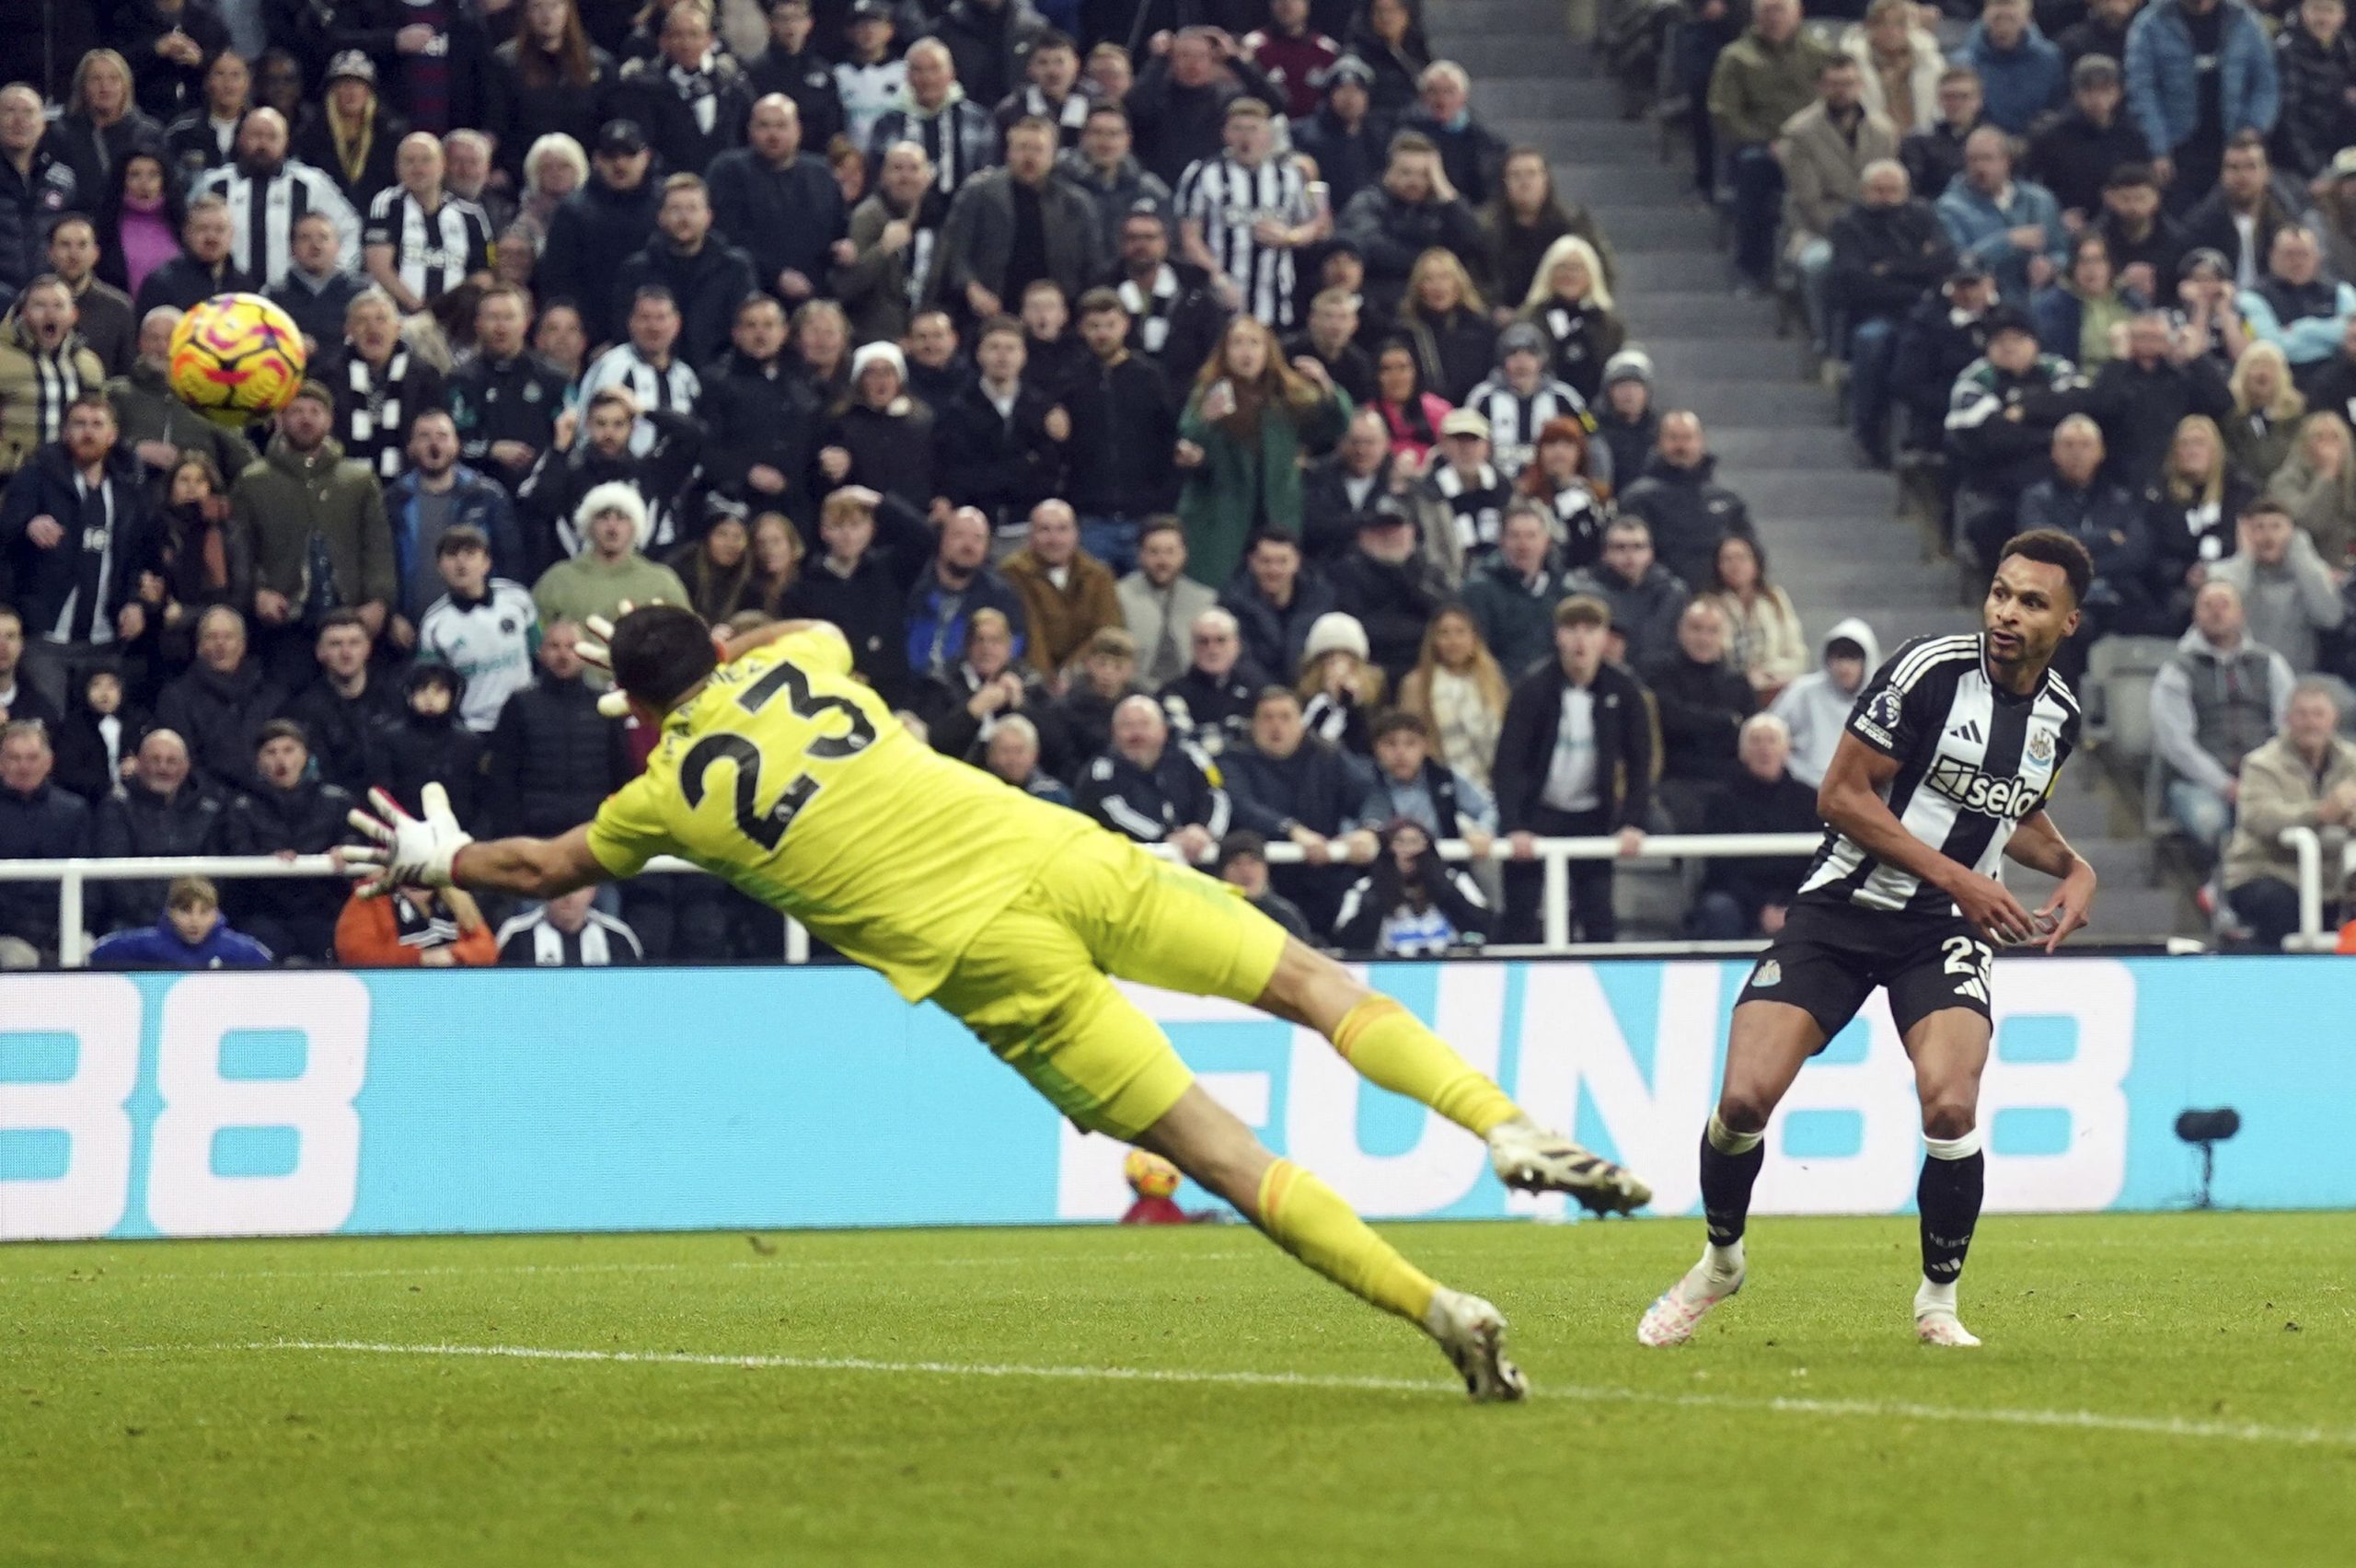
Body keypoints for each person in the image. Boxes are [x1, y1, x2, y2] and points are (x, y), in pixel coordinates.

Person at [1638, 530, 2098, 1352]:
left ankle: (1938, 1303)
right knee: (1743, 1100)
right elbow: (1842, 795)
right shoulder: (1928, 671)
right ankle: (1720, 1260)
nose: (2006, 611)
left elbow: (2008, 809)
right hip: (1841, 912)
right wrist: (1964, 877)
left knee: (1952, 1104)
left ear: (2068, 621)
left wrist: (2074, 866)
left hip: (1942, 931)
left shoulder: (2058, 716)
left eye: (2031, 602)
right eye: (2001, 591)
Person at [1492, 594, 1656, 945]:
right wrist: (1513, 825)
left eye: (1590, 629)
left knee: (1598, 916)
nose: (1581, 639)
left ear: (1605, 637)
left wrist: (1632, 821)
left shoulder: (1625, 690)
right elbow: (1507, 762)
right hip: (1538, 814)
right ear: (1557, 636)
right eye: (1572, 629)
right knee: (1520, 915)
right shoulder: (1532, 689)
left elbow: (1641, 763)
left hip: (1593, 817)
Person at [1175, 315, 1351, 588]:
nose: (1247, 352)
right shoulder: (1207, 394)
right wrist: (1206, 422)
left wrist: (1327, 387)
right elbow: (1186, 447)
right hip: (1218, 518)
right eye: (1238, 344)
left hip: (1276, 513)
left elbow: (1336, 426)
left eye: (1255, 343)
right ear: (1224, 351)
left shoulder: (1287, 395)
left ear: (1268, 350)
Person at [0, 393, 156, 694]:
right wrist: (27, 526)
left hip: (106, 639)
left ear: (112, 435)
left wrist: (135, 602)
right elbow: (6, 531)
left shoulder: (130, 488)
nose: (88, 432)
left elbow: (138, 554)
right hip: (45, 638)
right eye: (79, 423)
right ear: (64, 432)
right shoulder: (35, 476)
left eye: (97, 424)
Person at [2150, 578, 2294, 858]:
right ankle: (2219, 888)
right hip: (2200, 786)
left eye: (2224, 605)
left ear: (2241, 613)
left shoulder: (2271, 664)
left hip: (2266, 780)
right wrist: (2224, 786)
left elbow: (2288, 728)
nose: (2217, 612)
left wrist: (2262, 781)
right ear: (2196, 615)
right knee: (2210, 820)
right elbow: (2176, 744)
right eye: (2208, 606)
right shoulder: (2177, 671)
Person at [1709, 0, 1842, 294]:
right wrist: (1766, 142)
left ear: (1798, 14)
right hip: (1761, 147)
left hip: (1813, 146)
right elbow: (1724, 112)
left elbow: (1834, 102)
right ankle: (1751, 269)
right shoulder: (1735, 57)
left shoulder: (1819, 55)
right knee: (1753, 168)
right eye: (1768, 11)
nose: (1775, 18)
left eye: (1781, 9)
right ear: (1756, 16)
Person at [1945, 306, 2092, 568]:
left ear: (2035, 343)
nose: (2009, 347)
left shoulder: (2056, 369)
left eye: (2018, 339)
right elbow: (1995, 439)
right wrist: (2049, 435)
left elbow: (2080, 403)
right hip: (1999, 489)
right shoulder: (1974, 379)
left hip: (2063, 485)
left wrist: (2024, 409)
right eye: (2000, 340)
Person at [1780, 55, 1900, 356]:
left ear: (1860, 85)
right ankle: (1826, 341)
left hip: (1878, 225)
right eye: (1834, 84)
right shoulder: (1799, 133)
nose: (1842, 91)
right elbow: (1809, 200)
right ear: (1820, 87)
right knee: (1819, 264)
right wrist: (1850, 235)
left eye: (1848, 83)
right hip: (1817, 229)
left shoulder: (1884, 130)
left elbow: (1891, 183)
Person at [2221, 677, 2356, 943]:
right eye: (2302, 714)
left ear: (2334, 719)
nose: (2310, 722)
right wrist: (2321, 813)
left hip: (2334, 878)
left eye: (2318, 714)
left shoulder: (2352, 761)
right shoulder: (2261, 764)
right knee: (2281, 906)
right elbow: (2260, 818)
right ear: (2287, 719)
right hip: (2265, 870)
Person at [1174, 98, 1320, 330]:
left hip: (1275, 301)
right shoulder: (1202, 173)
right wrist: (1216, 276)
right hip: (1219, 300)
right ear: (1225, 134)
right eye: (1238, 129)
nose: (1246, 137)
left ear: (1268, 135)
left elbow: (1315, 225)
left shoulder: (1289, 176)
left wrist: (1290, 236)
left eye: (1253, 129)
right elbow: (1189, 236)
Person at [2122, 0, 2281, 207]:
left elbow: (2266, 83)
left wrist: (2254, 127)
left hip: (2233, 143)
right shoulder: (2150, 24)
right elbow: (2142, 93)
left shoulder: (2245, 19)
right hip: (2178, 151)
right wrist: (2158, 150)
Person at [188, 108, 363, 284]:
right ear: (239, 139)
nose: (262, 144)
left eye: (272, 137)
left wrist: (333, 278)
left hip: (293, 298)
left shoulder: (311, 184)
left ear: (286, 141)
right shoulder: (213, 184)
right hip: (228, 295)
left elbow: (350, 228)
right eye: (255, 135)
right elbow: (187, 231)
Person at [1689, 712, 1822, 940]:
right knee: (1718, 909)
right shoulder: (1721, 801)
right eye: (1756, 741)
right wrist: (1761, 908)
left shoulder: (1809, 799)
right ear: (1743, 752)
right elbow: (1720, 868)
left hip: (1796, 897)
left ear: (1786, 750)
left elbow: (1820, 864)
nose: (1764, 749)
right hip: (1739, 898)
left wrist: (1792, 906)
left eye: (1771, 741)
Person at [1337, 132, 1485, 324]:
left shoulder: (1441, 207)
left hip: (1436, 308)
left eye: (1424, 174)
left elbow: (1474, 241)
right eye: (1406, 172)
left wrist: (1445, 191)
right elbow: (1374, 249)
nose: (1415, 181)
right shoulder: (1367, 202)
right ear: (1389, 171)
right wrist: (1429, 262)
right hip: (1382, 305)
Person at [1646, 599, 1759, 830]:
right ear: (1680, 631)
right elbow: (1669, 720)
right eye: (1696, 628)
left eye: (1712, 630)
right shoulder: (1658, 673)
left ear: (1724, 635)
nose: (1704, 638)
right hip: (1675, 779)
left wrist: (1693, 720)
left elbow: (1747, 734)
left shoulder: (1738, 682)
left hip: (1729, 780)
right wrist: (1726, 721)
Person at [417, 526, 541, 735]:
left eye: (470, 554)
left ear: (487, 563)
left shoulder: (517, 598)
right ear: (439, 567)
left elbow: (539, 653)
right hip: (473, 729)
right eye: (452, 555)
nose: (461, 563)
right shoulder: (434, 623)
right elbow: (434, 687)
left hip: (526, 722)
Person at [532, 481, 692, 640]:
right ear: (588, 524)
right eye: (603, 517)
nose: (612, 527)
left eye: (622, 518)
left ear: (635, 526)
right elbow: (534, 639)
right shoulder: (557, 580)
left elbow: (686, 637)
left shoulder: (661, 582)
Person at [2209, 497, 2345, 672]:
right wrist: (2245, 557)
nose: (2268, 536)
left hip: (2294, 679)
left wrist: (2302, 554)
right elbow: (2221, 619)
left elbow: (2330, 618)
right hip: (2236, 676)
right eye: (2259, 527)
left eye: (2276, 527)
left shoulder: (2311, 574)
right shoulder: (2223, 573)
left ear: (2292, 532)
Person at [1936, 124, 2068, 304]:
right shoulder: (1949, 208)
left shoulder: (2040, 200)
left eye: (1987, 159)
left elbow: (2063, 250)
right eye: (1972, 160)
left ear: (2007, 161)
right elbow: (1956, 263)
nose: (1979, 167)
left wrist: (2052, 265)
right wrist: (2007, 241)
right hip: (1986, 304)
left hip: (2041, 300)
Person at [0, 718, 92, 966]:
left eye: (32, 757)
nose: (24, 766)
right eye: (14, 758)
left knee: (87, 951)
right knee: (15, 959)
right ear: (1, 763)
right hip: (7, 933)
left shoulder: (74, 811)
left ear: (49, 762)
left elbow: (91, 886)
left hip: (64, 928)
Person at [0, 277, 109, 484]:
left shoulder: (89, 364)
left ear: (73, 314)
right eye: (40, 305)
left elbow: (101, 423)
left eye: (59, 306)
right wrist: (16, 462)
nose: (50, 313)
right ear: (24, 312)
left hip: (73, 484)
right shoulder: (3, 359)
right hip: (11, 483)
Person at [1333, 817, 1493, 958]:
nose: (1408, 851)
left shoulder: (1456, 881)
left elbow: (1487, 927)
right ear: (1388, 849)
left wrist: (1443, 889)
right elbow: (1345, 940)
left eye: (1415, 842)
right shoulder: (1365, 888)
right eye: (1400, 842)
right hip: (1388, 970)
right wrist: (1379, 897)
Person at [1461, 501, 1570, 683]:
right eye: (1515, 536)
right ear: (1501, 541)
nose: (1523, 545)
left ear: (1546, 542)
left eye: (1531, 536)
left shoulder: (1564, 591)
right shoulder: (1478, 591)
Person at [1568, 516, 1691, 674]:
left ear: (1651, 553)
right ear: (1605, 553)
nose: (1630, 555)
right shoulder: (1580, 590)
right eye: (1620, 547)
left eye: (1638, 547)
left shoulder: (1673, 593)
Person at [1771, 617, 1883, 788]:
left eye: (1852, 658)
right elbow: (1771, 729)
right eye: (1838, 658)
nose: (1844, 667)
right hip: (1803, 785)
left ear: (1866, 661)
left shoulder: (1881, 702)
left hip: (1861, 791)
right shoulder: (1803, 691)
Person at [1703, 534, 1809, 703]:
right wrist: (1745, 679)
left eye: (1742, 558)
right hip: (1728, 692)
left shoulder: (1775, 599)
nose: (1735, 565)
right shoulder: (1708, 604)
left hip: (1776, 687)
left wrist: (1768, 673)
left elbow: (1796, 653)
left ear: (1756, 562)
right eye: (1727, 559)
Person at [89, 873, 273, 969]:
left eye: (204, 911)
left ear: (216, 913)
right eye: (185, 910)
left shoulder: (242, 951)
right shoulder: (142, 946)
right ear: (170, 911)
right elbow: (97, 954)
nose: (195, 920)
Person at [2263, 409, 2356, 567]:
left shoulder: (2351, 480)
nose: (2328, 445)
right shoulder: (2284, 481)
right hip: (2306, 571)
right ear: (2304, 445)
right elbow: (2309, 524)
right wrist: (2327, 475)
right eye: (2319, 437)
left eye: (2335, 438)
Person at [45, 216, 135, 378]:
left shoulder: (119, 308)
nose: (73, 254)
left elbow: (127, 373)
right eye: (65, 245)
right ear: (51, 253)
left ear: (95, 253)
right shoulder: (32, 304)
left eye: (82, 245)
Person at [497, 882, 647, 965]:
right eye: (561, 887)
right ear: (544, 890)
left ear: (592, 891)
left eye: (577, 887)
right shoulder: (516, 935)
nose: (568, 897)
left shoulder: (619, 937)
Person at [2224, 338, 2304, 482]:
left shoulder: (2296, 418)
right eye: (2255, 365)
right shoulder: (2230, 418)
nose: (2262, 372)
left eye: (2269, 366)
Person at [1212, 828, 1313, 940]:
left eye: (1253, 862)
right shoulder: (1211, 914)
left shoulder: (1284, 916)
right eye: (1236, 863)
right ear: (1222, 872)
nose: (1246, 871)